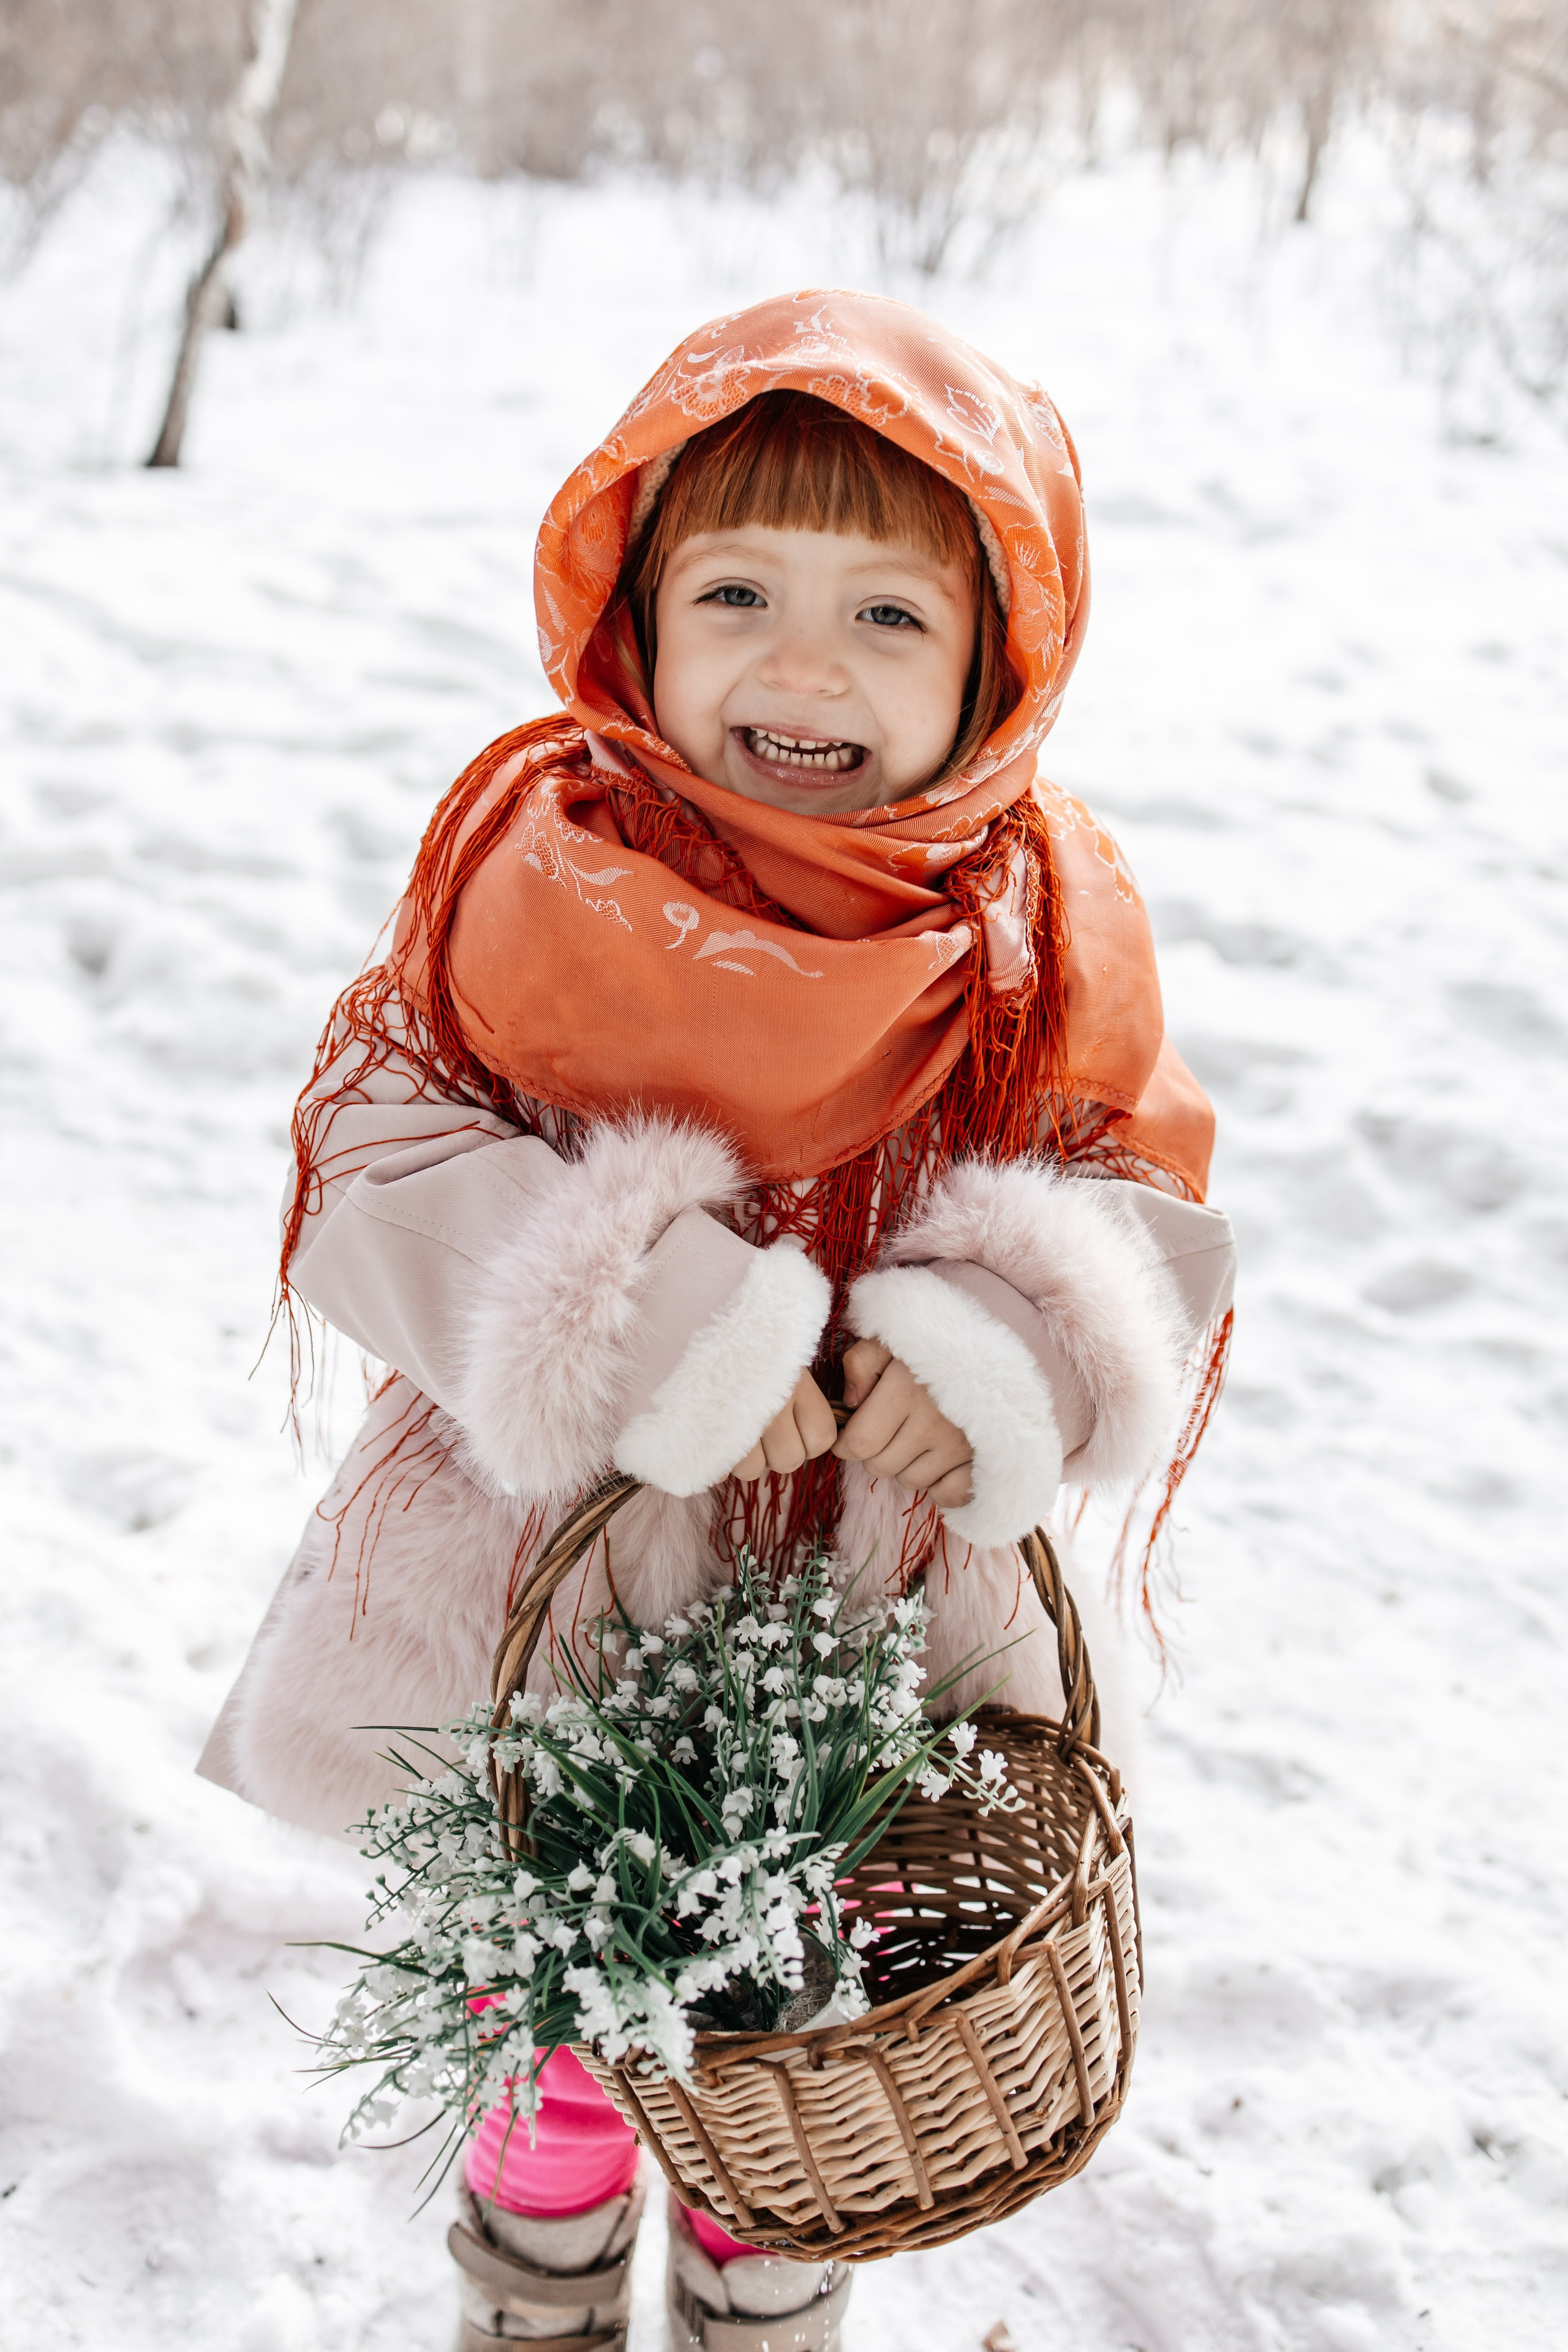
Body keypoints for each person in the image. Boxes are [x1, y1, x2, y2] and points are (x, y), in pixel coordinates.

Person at [200, 290, 1236, 2352]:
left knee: (811, 2004)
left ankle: (767, 2294)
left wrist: (1013, 1344)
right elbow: (377, 1153)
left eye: (885, 619)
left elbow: (1142, 1206)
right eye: (740, 589)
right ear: (635, 613)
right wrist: (641, 1319)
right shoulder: (538, 877)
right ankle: (544, 2283)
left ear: (997, 662)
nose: (799, 665)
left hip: (877, 1615)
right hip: (553, 1592)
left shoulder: (1042, 939)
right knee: (566, 2000)